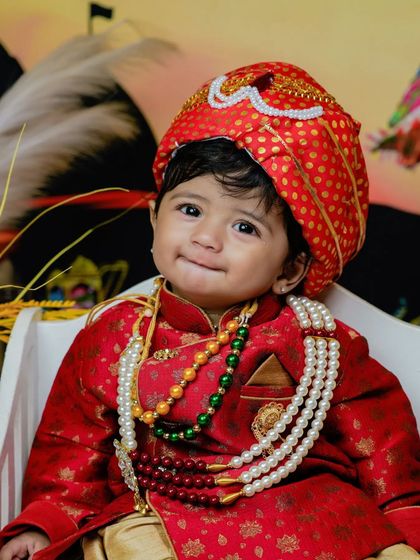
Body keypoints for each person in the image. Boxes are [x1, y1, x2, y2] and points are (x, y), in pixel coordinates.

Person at [0, 61, 419, 560]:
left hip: (309, 515)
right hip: (162, 514)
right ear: (154, 219)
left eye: (245, 227)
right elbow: (71, 447)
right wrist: (45, 524)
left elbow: (382, 445)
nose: (206, 237)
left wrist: (403, 521)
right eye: (191, 210)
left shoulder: (320, 345)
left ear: (290, 268)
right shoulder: (114, 337)